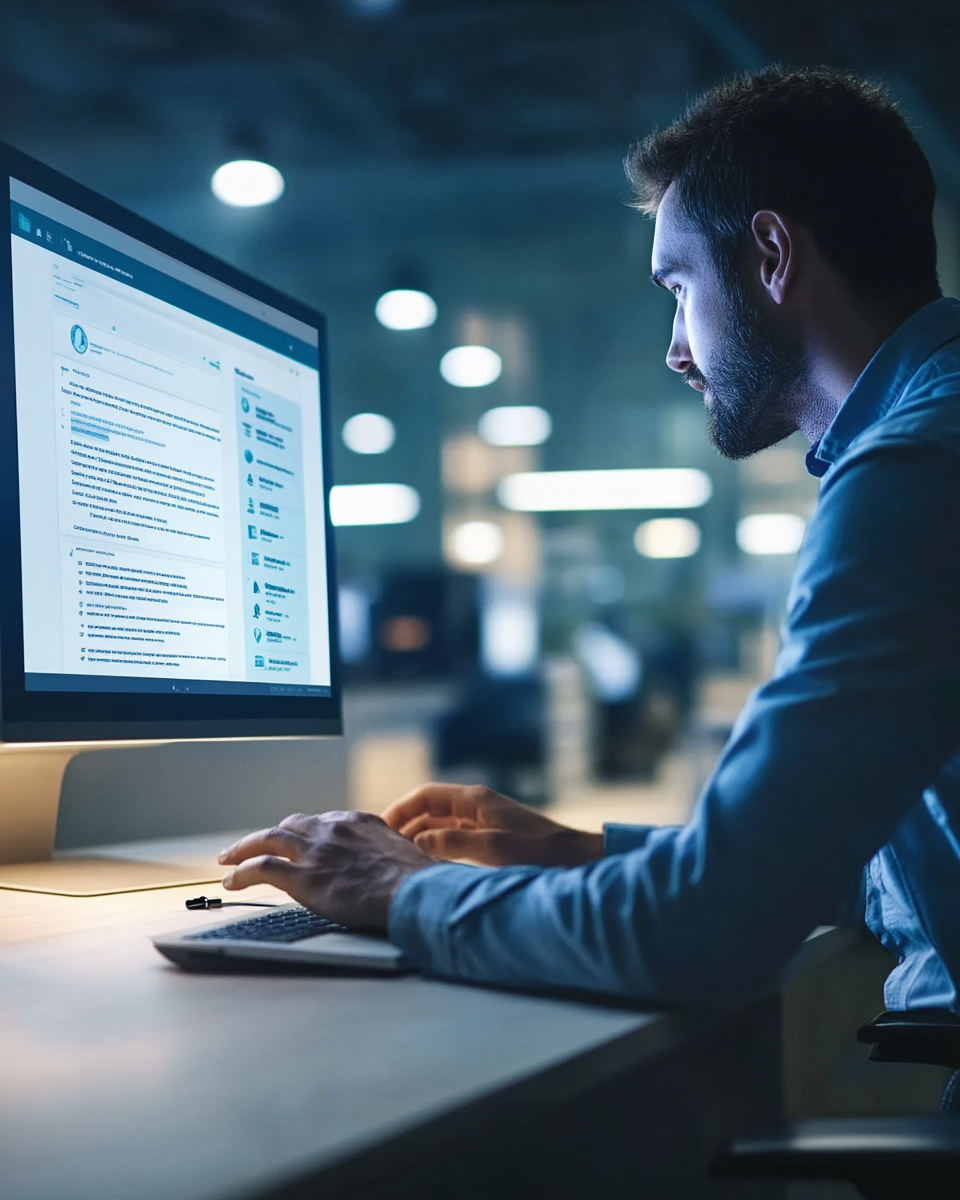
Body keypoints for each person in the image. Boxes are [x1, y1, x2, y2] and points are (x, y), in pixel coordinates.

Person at [219, 66, 960, 1024]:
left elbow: (702, 934)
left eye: (678, 286)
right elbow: (891, 883)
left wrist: (398, 889)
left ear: (773, 256)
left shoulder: (910, 475)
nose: (676, 348)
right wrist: (582, 852)